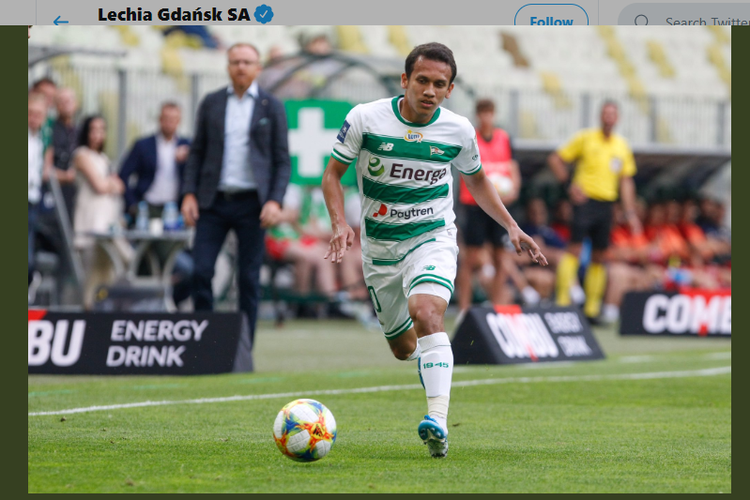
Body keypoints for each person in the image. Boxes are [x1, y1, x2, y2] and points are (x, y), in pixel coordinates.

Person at [321, 42, 547, 458]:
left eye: (438, 84)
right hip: (380, 250)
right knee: (403, 347)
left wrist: (512, 226)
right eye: (421, 80)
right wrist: (339, 223)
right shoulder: (365, 119)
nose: (429, 90)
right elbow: (332, 174)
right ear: (405, 80)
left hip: (433, 237)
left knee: (426, 312)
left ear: (450, 89)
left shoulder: (458, 131)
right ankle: (431, 363)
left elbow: (477, 181)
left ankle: (437, 421)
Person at [181, 43, 291, 350]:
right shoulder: (212, 103)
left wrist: (274, 200)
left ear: (258, 68)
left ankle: (242, 349)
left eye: (247, 62)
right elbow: (196, 153)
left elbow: (282, 160)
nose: (241, 67)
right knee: (200, 271)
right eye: (235, 62)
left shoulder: (273, 106)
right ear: (228, 67)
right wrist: (188, 194)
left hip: (253, 205)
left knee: (248, 278)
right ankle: (202, 344)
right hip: (212, 202)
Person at [547, 101, 641, 322]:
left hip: (607, 204)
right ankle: (562, 301)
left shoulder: (621, 146)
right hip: (585, 201)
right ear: (601, 116)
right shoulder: (586, 138)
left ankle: (591, 308)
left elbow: (626, 181)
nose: (609, 118)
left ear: (617, 118)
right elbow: (556, 159)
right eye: (606, 113)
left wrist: (629, 211)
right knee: (575, 249)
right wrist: (569, 185)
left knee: (599, 255)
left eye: (613, 114)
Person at [455, 98, 521, 313]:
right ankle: (465, 308)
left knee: (501, 257)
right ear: (478, 115)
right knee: (472, 258)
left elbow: (512, 166)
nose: (486, 117)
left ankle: (495, 305)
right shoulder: (471, 138)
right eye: (482, 113)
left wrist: (514, 190)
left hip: (499, 204)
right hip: (475, 205)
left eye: (489, 113)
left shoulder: (503, 138)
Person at [71, 115, 129, 309]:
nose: (97, 135)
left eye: (101, 130)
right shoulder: (81, 155)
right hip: (91, 224)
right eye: (93, 130)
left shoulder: (103, 158)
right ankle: (88, 318)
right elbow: (101, 186)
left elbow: (119, 186)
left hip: (108, 224)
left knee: (109, 273)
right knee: (92, 277)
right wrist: (111, 184)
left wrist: (110, 184)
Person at [119, 101, 191, 219]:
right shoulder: (143, 145)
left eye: (174, 119)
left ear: (179, 121)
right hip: (147, 206)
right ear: (160, 119)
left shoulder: (187, 146)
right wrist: (132, 204)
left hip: (174, 208)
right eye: (166, 118)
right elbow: (124, 174)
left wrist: (189, 156)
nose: (169, 123)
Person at [28, 92, 49, 288]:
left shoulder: (40, 138)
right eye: (30, 113)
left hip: (33, 199)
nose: (34, 118)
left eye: (38, 114)